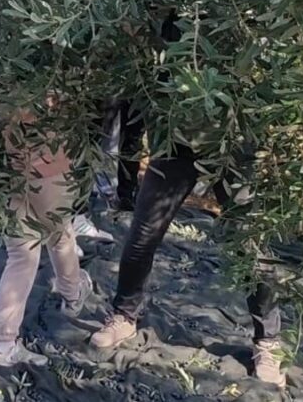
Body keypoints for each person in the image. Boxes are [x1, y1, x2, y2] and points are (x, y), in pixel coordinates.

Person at [89, 142, 287, 385]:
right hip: (176, 142)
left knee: (248, 246)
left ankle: (268, 340)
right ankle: (124, 315)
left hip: (233, 143)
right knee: (142, 235)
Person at [0, 107, 92, 366]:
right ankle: (73, 296)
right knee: (60, 235)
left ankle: (3, 346)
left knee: (21, 256)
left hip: (8, 168)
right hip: (48, 166)